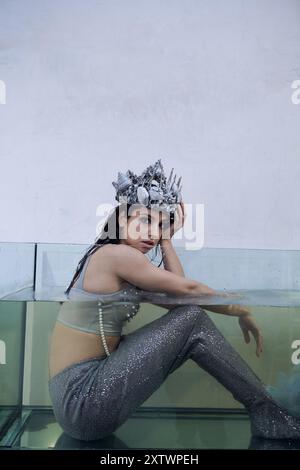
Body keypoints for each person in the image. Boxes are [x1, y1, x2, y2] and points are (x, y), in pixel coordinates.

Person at [48, 159, 300, 442]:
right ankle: (266, 412)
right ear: (122, 219)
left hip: (78, 402)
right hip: (84, 400)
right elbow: (187, 290)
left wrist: (167, 241)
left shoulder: (122, 262)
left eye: (159, 225)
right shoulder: (117, 256)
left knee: (190, 318)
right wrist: (240, 309)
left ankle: (267, 410)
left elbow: (178, 301)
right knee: (193, 318)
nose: (153, 233)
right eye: (145, 220)